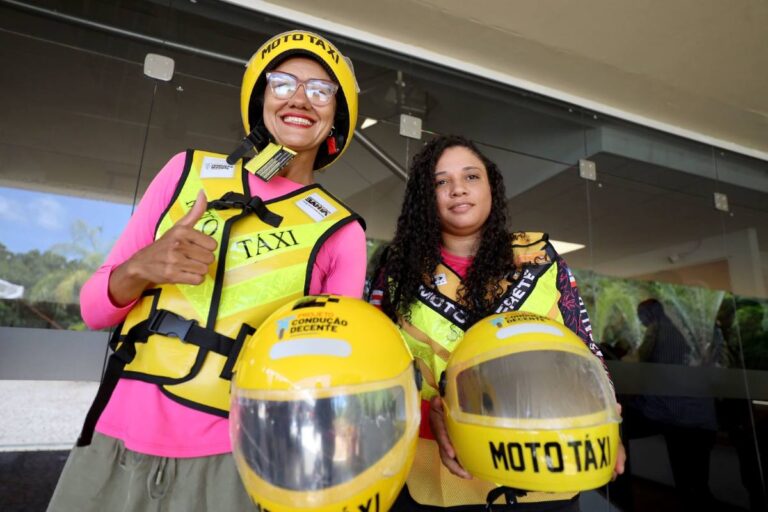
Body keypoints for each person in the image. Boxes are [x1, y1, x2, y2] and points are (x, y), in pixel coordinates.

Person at [47, 30, 366, 512]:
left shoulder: (342, 232)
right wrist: (139, 268)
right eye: (283, 83)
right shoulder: (184, 171)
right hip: (113, 442)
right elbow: (93, 309)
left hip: (235, 462)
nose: (300, 98)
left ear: (335, 116)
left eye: (320, 90)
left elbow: (333, 379)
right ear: (261, 98)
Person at [368, 135, 625, 511]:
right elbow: (379, 370)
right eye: (441, 182)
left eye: (471, 177)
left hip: (546, 463)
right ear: (426, 198)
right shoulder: (398, 272)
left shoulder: (540, 259)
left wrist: (608, 420)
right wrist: (429, 420)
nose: (458, 189)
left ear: (492, 187)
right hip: (440, 471)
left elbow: (583, 345)